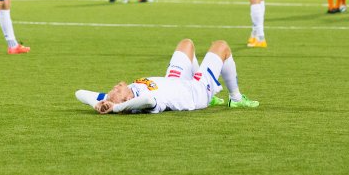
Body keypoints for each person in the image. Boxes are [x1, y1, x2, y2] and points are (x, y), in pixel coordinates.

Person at [75, 38, 259, 114]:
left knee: (186, 43)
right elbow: (146, 99)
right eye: (118, 92)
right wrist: (116, 108)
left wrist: (100, 103)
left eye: (113, 90)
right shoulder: (146, 101)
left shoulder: (116, 97)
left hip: (176, 80)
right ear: (127, 99)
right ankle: (235, 98)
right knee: (221, 46)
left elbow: (80, 93)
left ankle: (214, 93)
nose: (115, 87)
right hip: (195, 93)